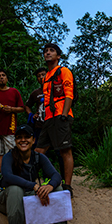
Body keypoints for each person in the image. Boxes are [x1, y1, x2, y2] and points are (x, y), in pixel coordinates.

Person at [0, 124, 81, 224]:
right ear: (15, 141)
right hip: (7, 199)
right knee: (16, 189)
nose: (23, 140)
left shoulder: (38, 157)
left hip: (27, 199)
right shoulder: (9, 156)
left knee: (58, 188)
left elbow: (56, 175)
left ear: (33, 140)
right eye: (19, 138)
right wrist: (33, 185)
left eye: (27, 137)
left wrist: (50, 186)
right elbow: (7, 176)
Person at [34, 43, 75, 197]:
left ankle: (68, 186)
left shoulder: (63, 71)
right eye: (45, 51)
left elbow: (68, 94)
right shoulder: (46, 79)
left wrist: (64, 115)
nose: (48, 53)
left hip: (60, 116)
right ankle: (37, 181)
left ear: (58, 56)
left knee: (65, 151)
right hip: (49, 119)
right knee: (39, 151)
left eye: (52, 51)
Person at [0, 69, 25, 171]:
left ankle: (14, 175)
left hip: (10, 128)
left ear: (7, 79)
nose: (1, 77)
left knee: (12, 153)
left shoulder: (14, 92)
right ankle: (4, 176)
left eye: (3, 75)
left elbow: (22, 108)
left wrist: (11, 109)